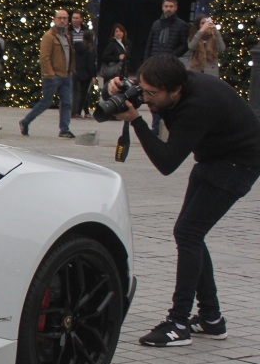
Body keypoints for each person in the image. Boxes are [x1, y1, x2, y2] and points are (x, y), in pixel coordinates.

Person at [107, 54, 260, 346]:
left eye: (152, 94)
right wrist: (119, 90)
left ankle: (178, 323)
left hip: (239, 164)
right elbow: (149, 100)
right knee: (190, 233)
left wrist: (137, 122)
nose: (146, 98)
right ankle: (211, 319)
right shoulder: (174, 87)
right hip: (213, 158)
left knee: (189, 233)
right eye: (143, 90)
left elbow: (167, 163)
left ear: (175, 90)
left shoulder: (197, 106)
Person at [17, 8, 75, 139]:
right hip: (53, 76)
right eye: (59, 18)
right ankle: (25, 121)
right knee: (46, 102)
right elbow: (44, 57)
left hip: (66, 75)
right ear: (54, 19)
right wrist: (50, 74)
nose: (62, 20)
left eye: (65, 18)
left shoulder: (66, 36)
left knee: (67, 103)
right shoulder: (49, 36)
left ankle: (64, 129)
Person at [145, 0, 190, 136]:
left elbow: (185, 45)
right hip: (154, 64)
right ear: (162, 7)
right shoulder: (156, 24)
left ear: (176, 8)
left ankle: (161, 127)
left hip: (168, 66)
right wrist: (146, 62)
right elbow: (150, 44)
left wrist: (171, 56)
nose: (168, 9)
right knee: (152, 96)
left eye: (171, 6)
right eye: (166, 6)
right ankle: (155, 126)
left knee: (164, 96)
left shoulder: (182, 25)